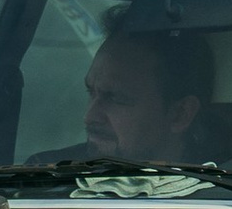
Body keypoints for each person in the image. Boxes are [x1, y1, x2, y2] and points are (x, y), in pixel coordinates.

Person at [82, 20, 213, 163]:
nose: (89, 116)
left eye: (115, 97)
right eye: (91, 92)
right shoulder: (59, 170)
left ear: (180, 114)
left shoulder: (227, 180)